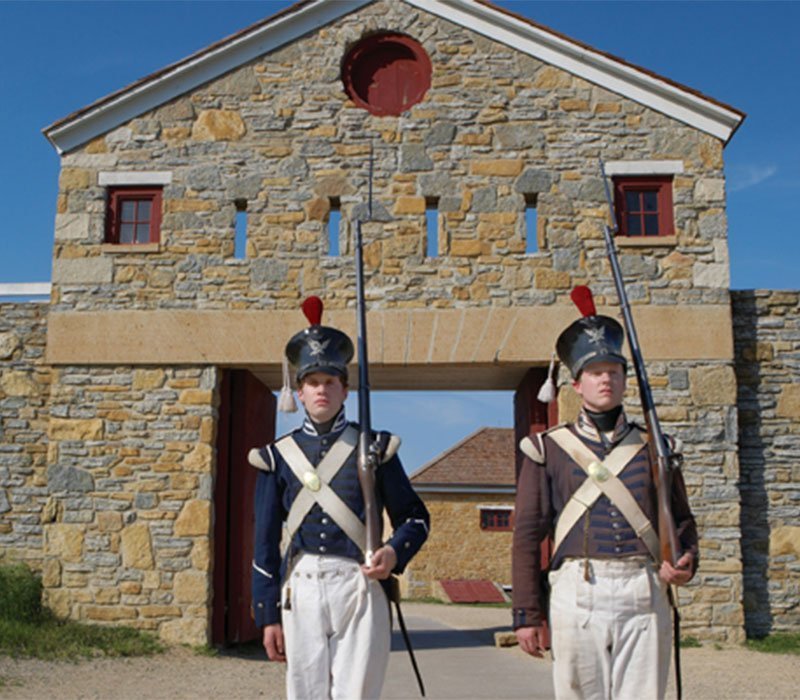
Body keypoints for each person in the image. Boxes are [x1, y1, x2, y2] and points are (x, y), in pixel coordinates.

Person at [512, 290, 698, 700]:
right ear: (577, 383)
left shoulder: (657, 447)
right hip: (578, 589)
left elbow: (682, 520)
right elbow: (527, 535)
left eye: (614, 370)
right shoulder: (550, 448)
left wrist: (685, 560)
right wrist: (527, 614)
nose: (606, 379)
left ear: (625, 380)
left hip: (644, 588)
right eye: (595, 372)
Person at [249, 297, 430, 700]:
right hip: (302, 585)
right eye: (313, 382)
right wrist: (267, 615)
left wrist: (393, 553)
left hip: (360, 584)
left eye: (330, 382)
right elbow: (264, 544)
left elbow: (415, 519)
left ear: (345, 390)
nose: (321, 390)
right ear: (299, 389)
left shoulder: (375, 447)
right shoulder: (278, 457)